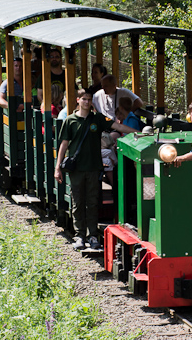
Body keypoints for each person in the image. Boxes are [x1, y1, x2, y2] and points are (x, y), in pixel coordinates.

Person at [55, 90, 135, 251]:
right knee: (78, 203)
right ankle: (79, 236)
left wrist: (139, 133)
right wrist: (58, 168)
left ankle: (92, 235)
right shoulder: (70, 121)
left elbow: (117, 126)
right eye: (84, 99)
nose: (86, 102)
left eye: (89, 100)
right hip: (76, 169)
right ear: (78, 100)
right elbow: (64, 144)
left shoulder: (97, 119)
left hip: (93, 168)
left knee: (92, 202)